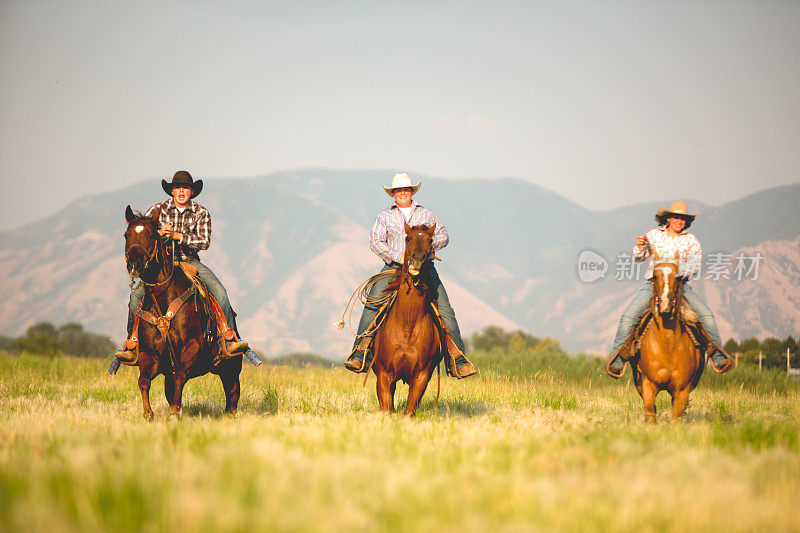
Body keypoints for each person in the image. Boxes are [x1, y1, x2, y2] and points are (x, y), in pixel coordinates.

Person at [344, 173, 477, 378]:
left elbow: (443, 235)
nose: (402, 193)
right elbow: (376, 242)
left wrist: (425, 251)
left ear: (412, 191)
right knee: (373, 302)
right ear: (393, 194)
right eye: (398, 190)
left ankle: (457, 358)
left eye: (406, 189)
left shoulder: (427, 214)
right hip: (394, 267)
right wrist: (401, 257)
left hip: (425, 268)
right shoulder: (384, 217)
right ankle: (360, 351)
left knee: (445, 309)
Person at [111, 170, 248, 367]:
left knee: (220, 292)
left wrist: (176, 235)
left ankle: (228, 338)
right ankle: (133, 345)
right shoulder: (158, 210)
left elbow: (204, 242)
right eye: (177, 188)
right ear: (172, 191)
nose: (181, 191)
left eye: (185, 188)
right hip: (161, 266)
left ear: (192, 192)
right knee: (135, 298)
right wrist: (158, 231)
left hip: (189, 261)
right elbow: (144, 230)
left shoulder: (201, 213)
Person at [605, 200, 735, 377]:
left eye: (683, 218)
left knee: (706, 316)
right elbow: (638, 257)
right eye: (676, 217)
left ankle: (718, 356)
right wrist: (640, 246)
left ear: (686, 221)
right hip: (653, 285)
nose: (679, 221)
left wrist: (672, 272)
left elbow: (695, 266)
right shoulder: (653, 235)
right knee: (628, 317)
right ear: (667, 219)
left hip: (680, 286)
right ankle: (618, 359)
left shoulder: (691, 241)